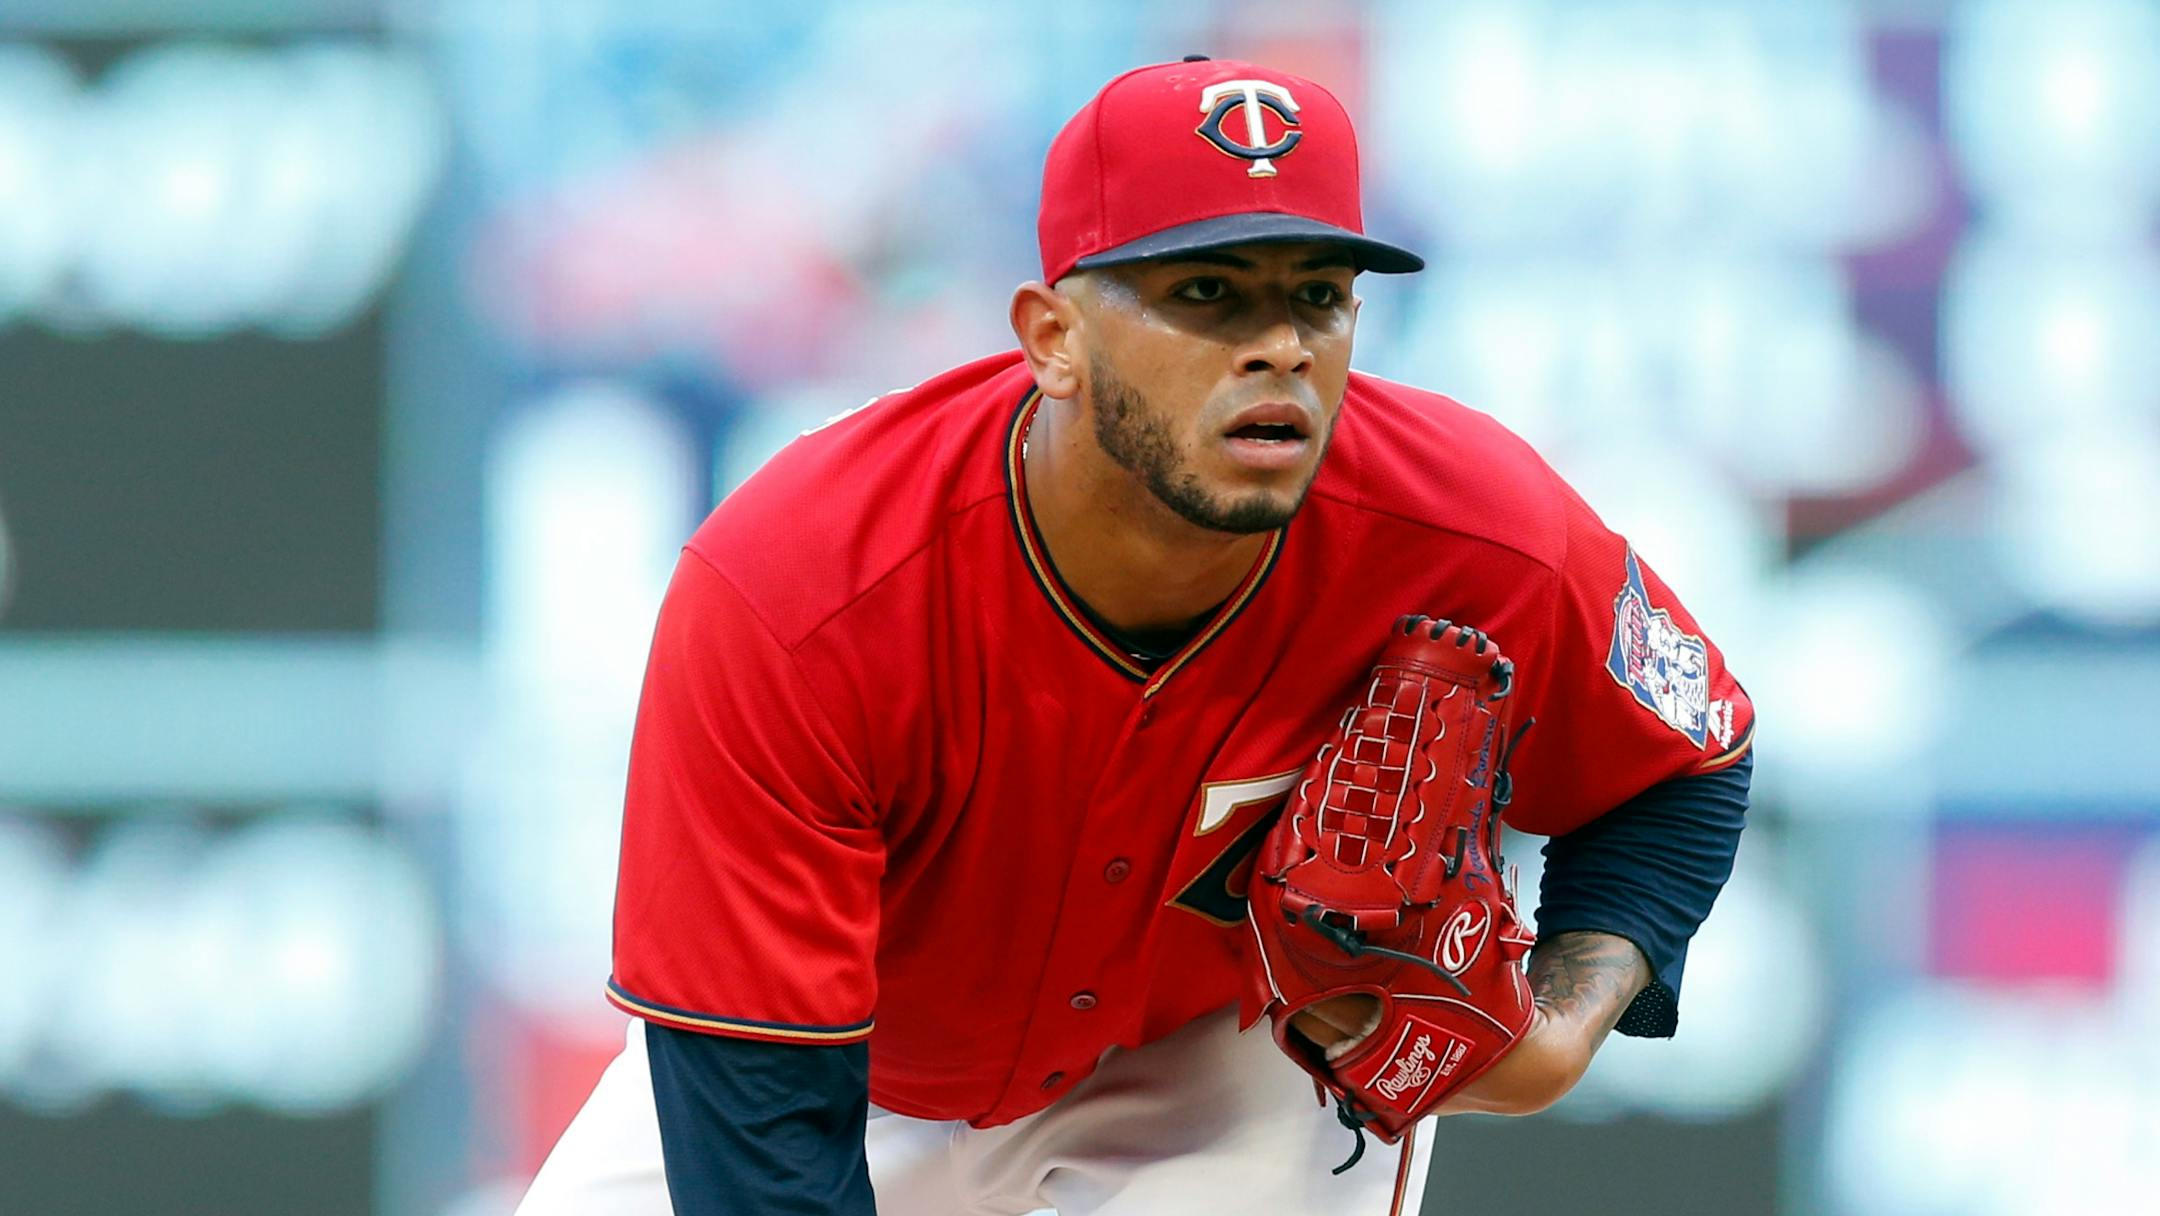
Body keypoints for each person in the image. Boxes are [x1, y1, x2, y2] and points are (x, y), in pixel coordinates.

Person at [516, 56, 1754, 1216]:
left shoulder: (1476, 533)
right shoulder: (805, 586)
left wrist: (1560, 1031)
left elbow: (1689, 757)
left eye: (1317, 295)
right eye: (1206, 293)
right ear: (1052, 337)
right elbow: (762, 1150)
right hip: (851, 1063)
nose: (1281, 345)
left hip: (1228, 1063)